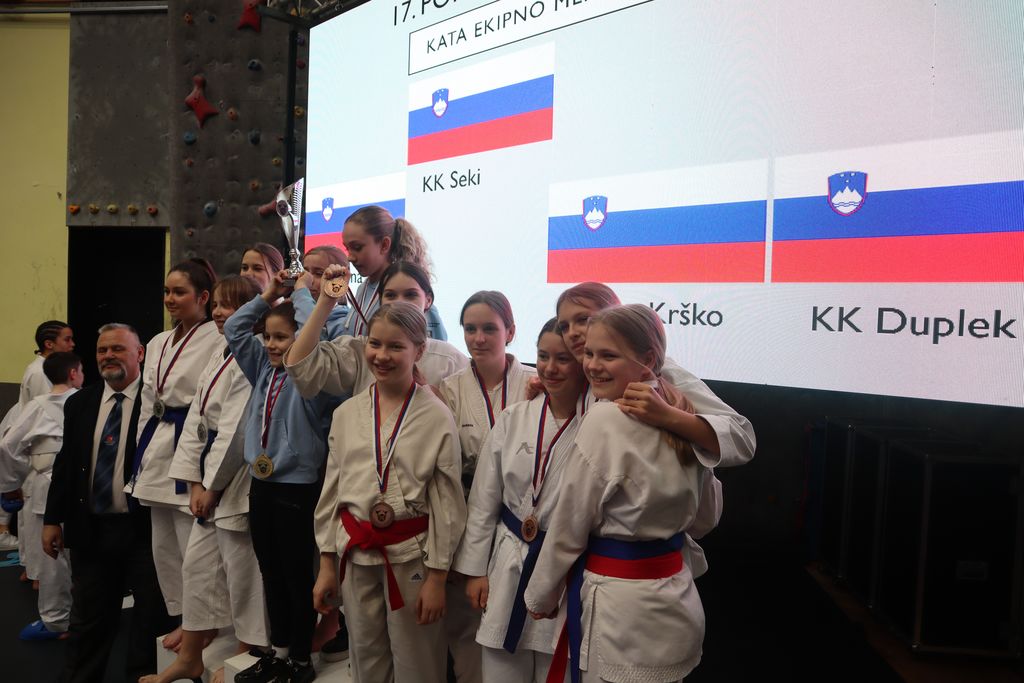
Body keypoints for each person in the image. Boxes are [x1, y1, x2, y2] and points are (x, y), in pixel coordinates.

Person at [525, 305, 711, 683]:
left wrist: (539, 595)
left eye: (608, 356)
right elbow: (706, 518)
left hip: (620, 614)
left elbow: (569, 525)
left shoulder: (605, 418)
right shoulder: (687, 414)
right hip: (677, 601)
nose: (592, 366)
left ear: (648, 360)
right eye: (589, 353)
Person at [298, 302, 467, 683]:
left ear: (419, 351)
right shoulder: (347, 413)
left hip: (412, 557)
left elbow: (447, 503)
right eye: (375, 344)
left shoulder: (436, 415)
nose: (382, 355)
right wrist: (327, 564)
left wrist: (437, 577)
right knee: (365, 658)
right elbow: (332, 493)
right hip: (356, 553)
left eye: (396, 346)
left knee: (418, 662)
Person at [145, 276, 268, 683]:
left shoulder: (254, 353)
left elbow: (235, 428)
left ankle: (247, 650)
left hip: (238, 474)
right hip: (208, 470)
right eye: (216, 304)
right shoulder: (220, 350)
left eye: (230, 306)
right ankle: (191, 656)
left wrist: (211, 485)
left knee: (241, 568)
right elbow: (197, 416)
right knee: (197, 566)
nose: (218, 312)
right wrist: (193, 480)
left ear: (252, 312)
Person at [43, 323, 178, 683]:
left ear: (140, 354)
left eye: (118, 349)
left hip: (145, 530)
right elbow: (66, 464)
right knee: (88, 623)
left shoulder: (158, 403)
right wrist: (52, 519)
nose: (108, 356)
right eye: (102, 350)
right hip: (92, 528)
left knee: (150, 621)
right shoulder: (79, 403)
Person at [454, 318, 585, 682]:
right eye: (543, 356)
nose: (550, 367)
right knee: (500, 666)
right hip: (508, 558)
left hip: (563, 567)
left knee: (556, 666)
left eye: (563, 359)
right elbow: (484, 500)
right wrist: (475, 571)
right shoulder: (515, 417)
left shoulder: (596, 423)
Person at [225, 272, 340, 683]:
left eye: (282, 337)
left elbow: (313, 336)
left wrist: (305, 295)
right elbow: (234, 329)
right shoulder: (261, 367)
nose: (272, 345)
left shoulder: (315, 378)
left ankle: (300, 661)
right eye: (268, 337)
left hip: (298, 486)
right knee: (270, 571)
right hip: (262, 484)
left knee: (296, 576)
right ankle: (279, 653)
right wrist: (269, 295)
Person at [439, 291, 537, 683]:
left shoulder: (535, 382)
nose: (478, 338)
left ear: (510, 332)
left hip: (520, 517)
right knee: (465, 627)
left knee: (518, 627)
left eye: (489, 329)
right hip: (467, 513)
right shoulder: (450, 389)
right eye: (469, 329)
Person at [128, 259, 222, 652]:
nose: (170, 298)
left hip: (192, 441)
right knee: (163, 545)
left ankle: (205, 622)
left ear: (203, 297)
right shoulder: (157, 342)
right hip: (157, 442)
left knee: (194, 547)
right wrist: (141, 452)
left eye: (179, 292)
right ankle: (183, 616)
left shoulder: (217, 338)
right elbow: (147, 401)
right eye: (167, 291)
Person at [0, 352, 83, 640]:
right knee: (83, 553)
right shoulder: (87, 401)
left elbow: (8, 446)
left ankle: (56, 620)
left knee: (51, 556)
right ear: (73, 373)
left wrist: (12, 483)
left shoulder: (36, 406)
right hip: (84, 486)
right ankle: (86, 615)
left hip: (45, 485)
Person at [288, 263, 467, 390]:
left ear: (428, 300)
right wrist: (326, 301)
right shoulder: (360, 351)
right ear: (380, 300)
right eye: (390, 295)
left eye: (410, 295)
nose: (399, 303)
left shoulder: (449, 360)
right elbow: (302, 367)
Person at [0, 321, 75, 564]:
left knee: (32, 524)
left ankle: (32, 570)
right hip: (41, 454)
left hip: (33, 451)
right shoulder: (43, 374)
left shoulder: (38, 368)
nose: (72, 344)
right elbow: (51, 416)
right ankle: (36, 574)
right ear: (49, 344)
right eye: (67, 339)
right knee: (40, 528)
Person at [330, 205, 447, 340]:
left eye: (357, 247)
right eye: (347, 249)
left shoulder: (408, 292)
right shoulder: (363, 288)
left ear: (385, 245)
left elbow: (435, 347)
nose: (350, 257)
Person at [292, 245, 352, 342]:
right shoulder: (296, 307)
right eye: (305, 272)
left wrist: (301, 291)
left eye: (319, 274)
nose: (308, 279)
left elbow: (311, 346)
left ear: (339, 280)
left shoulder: (341, 323)